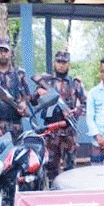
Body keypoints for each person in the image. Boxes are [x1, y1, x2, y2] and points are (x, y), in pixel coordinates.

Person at [32, 50, 85, 182]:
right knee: (50, 168)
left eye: (64, 62)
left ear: (68, 64)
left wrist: (76, 111)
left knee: (70, 169)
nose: (61, 65)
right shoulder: (46, 81)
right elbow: (32, 101)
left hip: (68, 132)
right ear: (54, 63)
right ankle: (51, 194)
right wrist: (38, 93)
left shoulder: (75, 83)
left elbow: (86, 103)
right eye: (59, 62)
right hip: (51, 132)